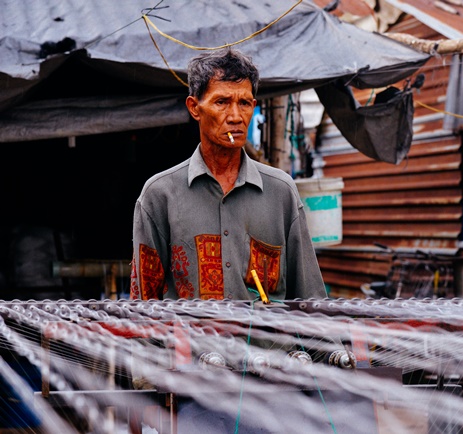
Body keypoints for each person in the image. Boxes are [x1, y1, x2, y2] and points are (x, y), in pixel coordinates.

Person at [130, 48, 326, 302]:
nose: (235, 117)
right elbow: (144, 304)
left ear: (253, 107)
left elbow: (310, 298)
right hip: (193, 342)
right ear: (194, 108)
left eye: (244, 103)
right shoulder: (160, 195)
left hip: (264, 343)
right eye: (221, 102)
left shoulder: (281, 192)